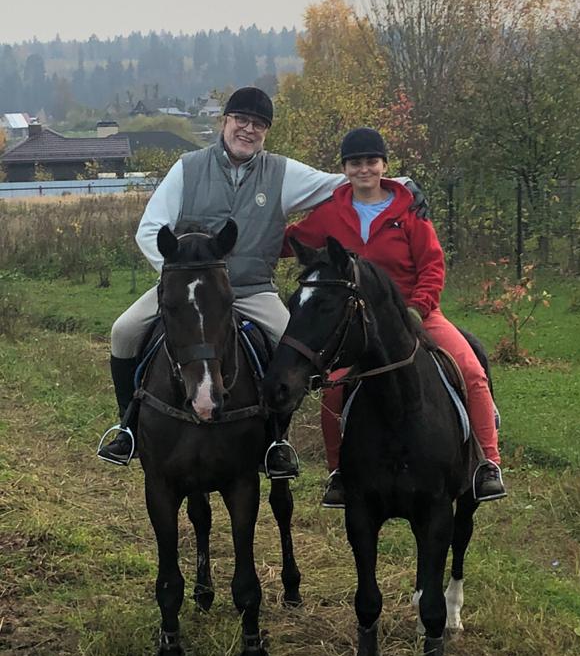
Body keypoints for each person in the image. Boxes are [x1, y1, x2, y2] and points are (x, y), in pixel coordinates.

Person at [97, 86, 352, 475]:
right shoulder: (188, 167)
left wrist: (399, 185)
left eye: (259, 124)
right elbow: (149, 229)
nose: (248, 129)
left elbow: (343, 183)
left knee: (294, 347)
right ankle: (127, 426)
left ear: (266, 132)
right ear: (225, 121)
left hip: (252, 289)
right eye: (242, 120)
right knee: (123, 331)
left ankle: (276, 440)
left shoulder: (282, 173)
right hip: (190, 289)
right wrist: (178, 279)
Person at [282, 127, 506, 508]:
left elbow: (432, 265)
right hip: (358, 324)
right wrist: (242, 234)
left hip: (415, 313)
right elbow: (292, 241)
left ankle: (487, 463)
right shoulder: (330, 214)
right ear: (344, 169)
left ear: (384, 165)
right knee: (333, 389)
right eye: (355, 163)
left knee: (470, 370)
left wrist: (418, 307)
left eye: (372, 161)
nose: (364, 169)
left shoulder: (408, 212)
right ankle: (339, 473)